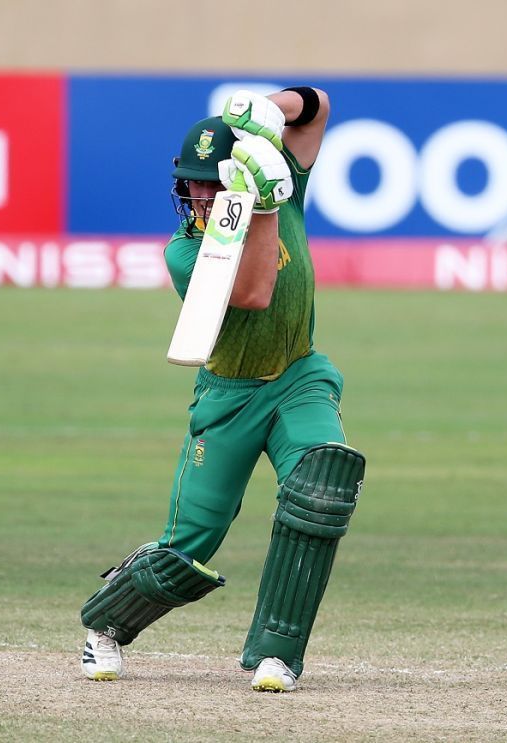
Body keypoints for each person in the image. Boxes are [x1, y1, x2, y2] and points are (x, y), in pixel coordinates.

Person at [78, 87, 366, 693]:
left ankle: (277, 654)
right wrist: (260, 207)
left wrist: (266, 109)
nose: (201, 196)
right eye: (193, 185)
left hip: (298, 377)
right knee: (188, 547)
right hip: (229, 398)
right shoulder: (185, 251)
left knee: (322, 481)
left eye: (212, 184)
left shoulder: (282, 179)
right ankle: (103, 625)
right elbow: (256, 291)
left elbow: (317, 109)